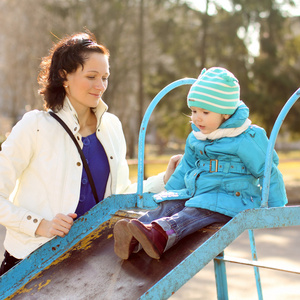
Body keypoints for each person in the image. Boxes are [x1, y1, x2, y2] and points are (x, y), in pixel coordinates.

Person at [0, 31, 180, 275]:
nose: (100, 86)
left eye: (105, 77)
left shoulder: (112, 127)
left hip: (89, 265)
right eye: (91, 76)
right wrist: (40, 225)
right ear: (64, 76)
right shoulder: (35, 125)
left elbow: (119, 196)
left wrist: (165, 179)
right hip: (30, 263)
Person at [113, 67, 288, 260]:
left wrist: (275, 208)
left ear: (226, 113)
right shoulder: (196, 136)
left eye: (205, 112)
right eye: (194, 111)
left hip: (231, 198)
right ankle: (135, 235)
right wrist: (171, 191)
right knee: (171, 204)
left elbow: (268, 170)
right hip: (199, 193)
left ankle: (162, 235)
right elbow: (186, 166)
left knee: (195, 211)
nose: (197, 117)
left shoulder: (246, 137)